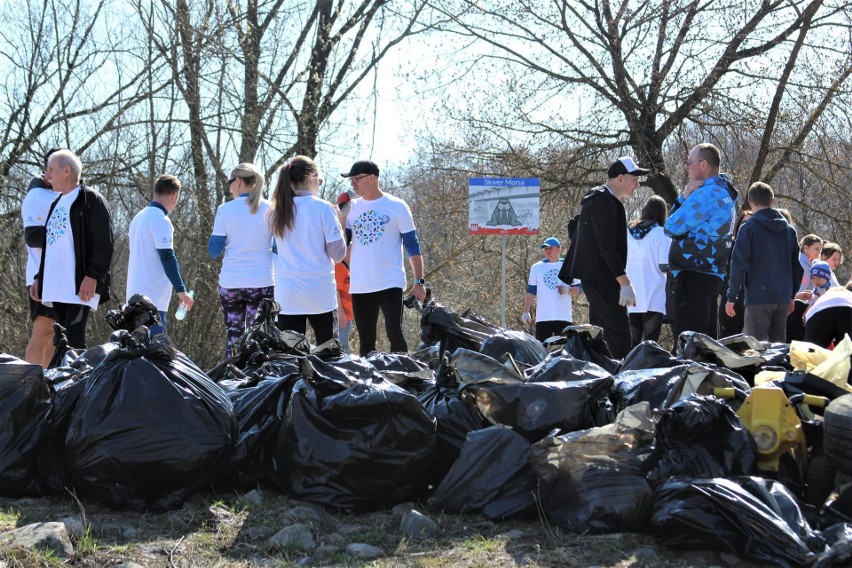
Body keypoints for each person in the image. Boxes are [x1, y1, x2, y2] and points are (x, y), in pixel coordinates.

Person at [560, 156, 647, 359]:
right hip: (601, 280)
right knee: (620, 336)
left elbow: (580, 233)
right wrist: (625, 282)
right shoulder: (601, 201)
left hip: (600, 279)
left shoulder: (602, 200)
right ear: (620, 178)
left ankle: (602, 378)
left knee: (601, 336)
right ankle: (618, 380)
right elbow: (605, 247)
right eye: (634, 179)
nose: (638, 184)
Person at [29, 150, 114, 349]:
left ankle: (79, 380)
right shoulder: (56, 203)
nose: (47, 175)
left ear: (66, 171)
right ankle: (61, 379)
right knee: (60, 340)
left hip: (79, 285)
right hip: (56, 286)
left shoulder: (91, 199)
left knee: (74, 337)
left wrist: (93, 275)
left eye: (51, 170)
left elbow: (105, 243)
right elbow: (52, 245)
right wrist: (39, 276)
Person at [341, 159, 427, 356]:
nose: (353, 183)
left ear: (372, 178)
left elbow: (412, 245)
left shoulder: (396, 206)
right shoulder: (351, 207)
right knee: (366, 341)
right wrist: (342, 216)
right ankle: (367, 384)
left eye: (357, 179)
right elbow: (342, 246)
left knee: (395, 333)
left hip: (390, 282)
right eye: (351, 180)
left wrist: (419, 282)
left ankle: (404, 378)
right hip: (361, 284)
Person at [664, 143, 738, 339]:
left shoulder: (706, 194)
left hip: (694, 275)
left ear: (704, 164)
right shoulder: (725, 194)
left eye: (689, 163)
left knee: (691, 345)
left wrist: (683, 197)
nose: (686, 167)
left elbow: (671, 226)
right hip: (712, 275)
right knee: (706, 344)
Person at [270, 155, 345, 344]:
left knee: (290, 360)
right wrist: (340, 221)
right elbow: (338, 255)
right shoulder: (323, 208)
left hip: (287, 295)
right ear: (312, 177)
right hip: (320, 293)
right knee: (328, 355)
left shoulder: (275, 212)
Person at [208, 163, 274, 357]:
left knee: (234, 338)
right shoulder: (271, 208)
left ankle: (232, 381)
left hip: (231, 284)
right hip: (262, 281)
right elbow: (279, 247)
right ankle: (260, 383)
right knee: (260, 340)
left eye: (229, 183)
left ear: (237, 181)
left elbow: (213, 251)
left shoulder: (225, 209)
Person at [723, 182, 801, 343]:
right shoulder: (789, 230)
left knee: (756, 346)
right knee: (778, 346)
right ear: (772, 202)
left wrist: (732, 297)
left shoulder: (748, 228)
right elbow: (796, 266)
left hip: (758, 297)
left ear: (751, 202)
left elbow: (738, 264)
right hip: (782, 297)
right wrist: (792, 294)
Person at [126, 174, 194, 336]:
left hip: (132, 297)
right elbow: (167, 257)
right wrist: (181, 290)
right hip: (152, 300)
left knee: (133, 352)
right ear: (174, 195)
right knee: (153, 353)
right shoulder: (161, 220)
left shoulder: (138, 218)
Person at [21, 147, 60, 366]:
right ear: (47, 170)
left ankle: (49, 388)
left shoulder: (67, 194)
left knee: (57, 337)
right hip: (41, 275)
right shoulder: (37, 195)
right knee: (43, 333)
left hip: (65, 277)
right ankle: (32, 387)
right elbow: (33, 237)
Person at [626, 196, 672, 346]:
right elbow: (663, 265)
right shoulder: (661, 232)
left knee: (634, 343)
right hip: (653, 293)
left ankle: (630, 368)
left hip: (632, 294)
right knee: (651, 343)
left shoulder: (628, 231)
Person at [521, 237, 580, 342]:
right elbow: (531, 291)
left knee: (564, 350)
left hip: (563, 317)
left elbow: (578, 289)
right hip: (543, 318)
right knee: (543, 350)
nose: (547, 251)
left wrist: (569, 290)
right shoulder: (537, 267)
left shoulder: (569, 266)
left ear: (559, 249)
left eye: (550, 248)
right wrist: (525, 311)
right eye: (545, 249)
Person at [804, 284, 852, 348]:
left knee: (811, 353)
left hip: (819, 313)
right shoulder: (848, 296)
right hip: (848, 310)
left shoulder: (824, 298)